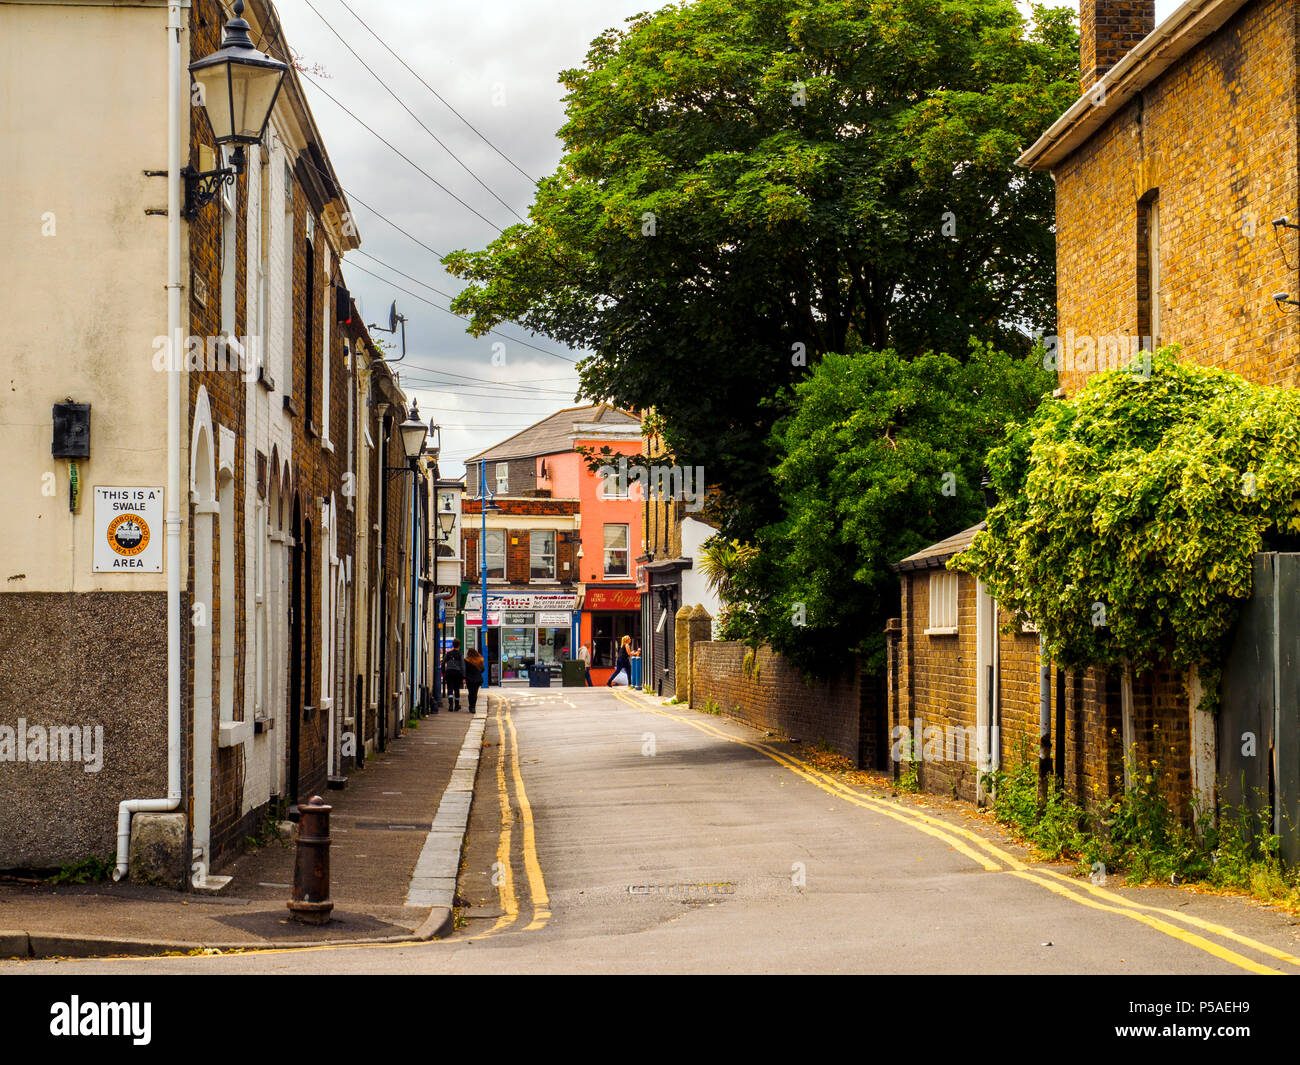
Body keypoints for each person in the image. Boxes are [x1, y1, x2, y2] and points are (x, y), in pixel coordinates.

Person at [442, 639, 464, 711]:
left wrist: (444, 672)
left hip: (449, 672)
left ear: (453, 645)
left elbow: (443, 663)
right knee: (457, 689)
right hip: (457, 673)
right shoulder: (460, 655)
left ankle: (450, 705)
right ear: (459, 646)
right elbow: (462, 666)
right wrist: (463, 676)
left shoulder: (448, 654)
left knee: (450, 689)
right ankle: (457, 706)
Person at [464, 645, 485, 714]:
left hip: (469, 679)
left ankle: (471, 706)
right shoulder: (480, 660)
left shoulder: (466, 661)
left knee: (470, 693)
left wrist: (464, 677)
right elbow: (483, 670)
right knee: (475, 693)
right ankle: (473, 707)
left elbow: (465, 670)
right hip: (478, 679)